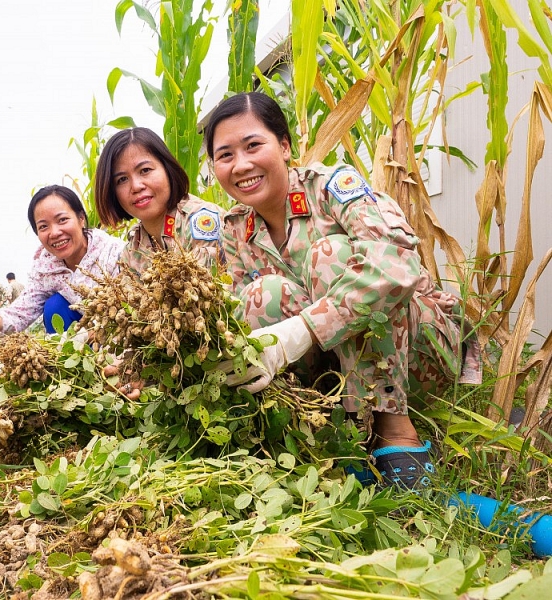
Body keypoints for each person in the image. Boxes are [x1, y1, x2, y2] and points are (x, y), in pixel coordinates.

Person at [203, 92, 481, 488]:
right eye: (225, 155)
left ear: (284, 146)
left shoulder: (330, 188)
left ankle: (393, 430)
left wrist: (301, 330)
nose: (241, 164)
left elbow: (395, 265)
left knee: (329, 255)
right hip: (335, 380)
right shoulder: (234, 231)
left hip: (418, 355)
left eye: (253, 146)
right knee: (261, 295)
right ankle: (334, 431)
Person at [0, 185, 125, 344]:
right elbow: (19, 314)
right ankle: (73, 365)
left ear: (81, 218)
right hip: (77, 335)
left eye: (62, 220)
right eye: (43, 226)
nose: (54, 232)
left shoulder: (114, 252)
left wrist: (92, 334)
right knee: (55, 306)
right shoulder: (45, 268)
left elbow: (134, 310)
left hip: (121, 332)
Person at [94, 127, 225, 275]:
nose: (136, 186)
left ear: (167, 168)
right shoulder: (132, 251)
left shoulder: (200, 221)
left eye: (145, 170)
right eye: (122, 179)